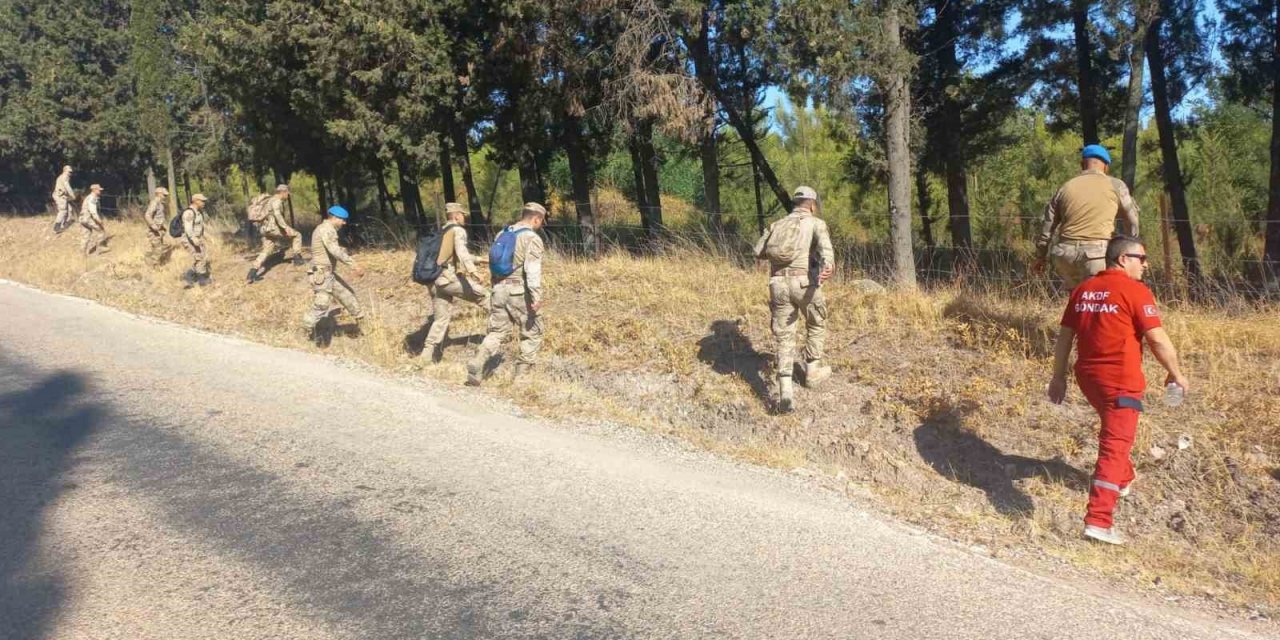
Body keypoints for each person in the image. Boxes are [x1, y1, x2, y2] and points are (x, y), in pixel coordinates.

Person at [1048, 234, 1188, 545]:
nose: (1146, 265)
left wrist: (1058, 377)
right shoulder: (1135, 291)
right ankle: (1099, 520)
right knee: (1114, 447)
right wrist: (1176, 373)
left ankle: (1123, 479)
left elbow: (1064, 338)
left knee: (1115, 435)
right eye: (1141, 258)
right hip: (1120, 381)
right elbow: (1157, 339)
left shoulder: (1083, 289)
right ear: (1123, 259)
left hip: (1088, 378)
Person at [752, 185, 835, 413]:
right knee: (817, 321)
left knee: (784, 335)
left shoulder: (776, 224)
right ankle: (812, 371)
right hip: (804, 283)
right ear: (812, 204)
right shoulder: (815, 223)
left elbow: (758, 250)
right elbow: (827, 250)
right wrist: (828, 265)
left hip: (777, 284)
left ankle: (786, 392)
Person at [1034, 145, 1141, 289]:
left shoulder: (1065, 187)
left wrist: (1040, 256)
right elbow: (1132, 221)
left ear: (1082, 164)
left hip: (1064, 255)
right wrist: (1132, 251)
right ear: (1106, 166)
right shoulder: (1116, 185)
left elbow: (1047, 226)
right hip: (1097, 255)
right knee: (1098, 301)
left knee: (1077, 301)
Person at [466, 202, 546, 385]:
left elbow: (495, 263)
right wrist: (536, 297)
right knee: (533, 331)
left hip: (498, 289)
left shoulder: (502, 233)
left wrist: (495, 287)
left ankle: (478, 361)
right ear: (536, 218)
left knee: (497, 331)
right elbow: (532, 270)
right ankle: (521, 378)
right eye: (541, 221)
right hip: (518, 291)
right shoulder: (532, 238)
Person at [423, 202, 490, 362]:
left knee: (441, 318)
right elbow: (461, 253)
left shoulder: (442, 230)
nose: (465, 217)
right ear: (456, 215)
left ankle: (426, 355)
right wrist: (474, 272)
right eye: (462, 214)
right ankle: (498, 332)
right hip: (447, 278)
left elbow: (450, 255)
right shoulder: (458, 230)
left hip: (434, 279)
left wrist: (480, 260)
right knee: (484, 296)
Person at [303, 205, 365, 345]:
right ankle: (305, 332)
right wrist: (354, 265)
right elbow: (334, 250)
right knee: (322, 304)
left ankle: (365, 325)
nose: (344, 223)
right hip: (321, 274)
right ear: (335, 218)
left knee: (347, 295)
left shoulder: (325, 229)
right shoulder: (326, 229)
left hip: (327, 273)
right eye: (342, 220)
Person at [247, 184, 304, 284]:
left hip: (265, 229)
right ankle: (297, 259)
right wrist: (285, 227)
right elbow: (277, 215)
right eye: (287, 192)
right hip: (273, 228)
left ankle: (252, 273)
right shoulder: (277, 201)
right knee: (297, 235)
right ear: (283, 192)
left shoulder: (269, 200)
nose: (288, 195)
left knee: (266, 250)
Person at [181, 194, 211, 287]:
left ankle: (190, 277)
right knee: (199, 258)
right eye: (202, 201)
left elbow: (199, 227)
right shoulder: (189, 213)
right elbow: (188, 228)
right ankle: (201, 280)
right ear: (195, 201)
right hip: (190, 239)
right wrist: (193, 239)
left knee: (203, 257)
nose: (204, 203)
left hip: (197, 238)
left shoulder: (198, 212)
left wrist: (206, 237)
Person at [142, 186, 170, 266]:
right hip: (154, 231)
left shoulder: (160, 204)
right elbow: (147, 215)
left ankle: (154, 263)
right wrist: (153, 225)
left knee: (158, 248)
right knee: (158, 249)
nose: (165, 197)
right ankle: (152, 266)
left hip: (159, 230)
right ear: (159, 194)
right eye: (164, 195)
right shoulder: (155, 203)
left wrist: (163, 227)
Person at [78, 184, 106, 255]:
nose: (100, 191)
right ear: (94, 190)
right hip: (88, 218)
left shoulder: (88, 197)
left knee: (86, 235)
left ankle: (82, 253)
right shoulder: (92, 198)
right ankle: (99, 250)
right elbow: (93, 211)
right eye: (99, 190)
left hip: (82, 218)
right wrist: (99, 220)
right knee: (101, 231)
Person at [52, 165, 76, 234]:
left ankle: (63, 225)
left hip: (63, 196)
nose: (70, 173)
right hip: (60, 197)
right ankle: (56, 228)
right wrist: (72, 195)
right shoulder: (64, 177)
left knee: (70, 210)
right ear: (65, 170)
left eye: (71, 172)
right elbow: (67, 187)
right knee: (63, 211)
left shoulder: (62, 177)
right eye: (69, 172)